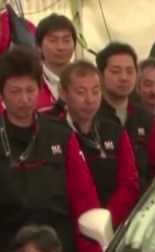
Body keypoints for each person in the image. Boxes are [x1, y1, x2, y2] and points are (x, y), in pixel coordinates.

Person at [0, 46, 103, 252]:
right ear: (1, 93)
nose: (24, 99)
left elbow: (84, 199)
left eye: (30, 90)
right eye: (15, 91)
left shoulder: (60, 134)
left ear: (40, 90)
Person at [55, 61, 141, 230]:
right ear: (63, 94)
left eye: (96, 91)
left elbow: (129, 182)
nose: (90, 100)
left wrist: (105, 219)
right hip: (65, 224)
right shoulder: (52, 131)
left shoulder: (114, 130)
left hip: (110, 222)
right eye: (81, 92)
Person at [95, 41, 155, 185]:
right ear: (100, 75)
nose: (124, 77)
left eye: (130, 71)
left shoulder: (145, 117)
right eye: (116, 71)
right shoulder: (90, 115)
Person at [35, 13, 78, 112]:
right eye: (53, 40)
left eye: (66, 40)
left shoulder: (86, 79)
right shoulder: (31, 80)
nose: (60, 47)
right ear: (39, 46)